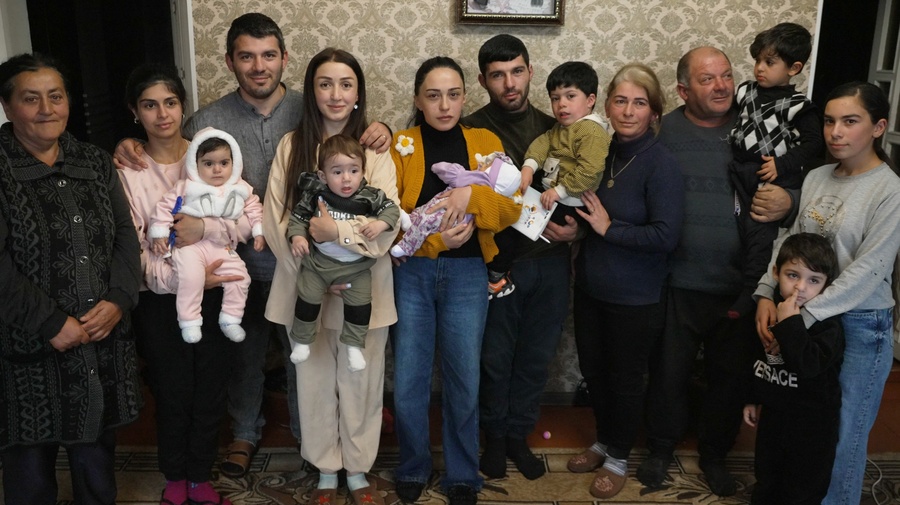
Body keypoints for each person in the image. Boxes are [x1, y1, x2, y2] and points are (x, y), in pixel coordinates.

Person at [114, 13, 391, 477]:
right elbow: (177, 164)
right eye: (246, 56)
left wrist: (375, 125)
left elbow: (347, 144)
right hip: (235, 262)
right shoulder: (208, 119)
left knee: (306, 359)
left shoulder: (309, 109)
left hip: (302, 265)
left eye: (268, 55)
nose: (258, 66)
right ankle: (244, 433)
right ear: (230, 61)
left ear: (284, 59)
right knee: (244, 357)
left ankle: (312, 445)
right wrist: (129, 143)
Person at [636, 46, 794, 497]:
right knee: (668, 373)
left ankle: (714, 455)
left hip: (740, 286)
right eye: (708, 79)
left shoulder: (756, 130)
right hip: (676, 281)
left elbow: (797, 184)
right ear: (684, 89)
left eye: (726, 76)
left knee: (729, 378)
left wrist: (790, 200)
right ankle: (661, 449)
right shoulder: (661, 133)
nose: (722, 85)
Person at [0, 52, 141, 504]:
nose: (47, 108)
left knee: (95, 462)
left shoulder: (95, 162)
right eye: (31, 98)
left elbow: (125, 234)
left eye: (55, 96)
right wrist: (49, 323)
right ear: (7, 108)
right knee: (29, 470)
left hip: (98, 337)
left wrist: (119, 298)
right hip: (26, 347)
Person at [754, 82, 900, 505]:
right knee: (803, 435)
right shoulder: (817, 176)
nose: (836, 131)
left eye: (850, 121)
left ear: (878, 127)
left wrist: (799, 317)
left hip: (857, 326)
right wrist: (767, 293)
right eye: (831, 121)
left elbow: (870, 269)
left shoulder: (889, 189)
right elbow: (790, 246)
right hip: (801, 314)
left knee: (841, 439)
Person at [263, 47, 398, 505]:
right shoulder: (292, 146)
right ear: (311, 90)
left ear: (358, 93)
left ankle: (358, 470)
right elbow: (276, 220)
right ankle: (325, 468)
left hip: (365, 287)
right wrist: (317, 272)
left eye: (345, 84)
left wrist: (336, 235)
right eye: (325, 83)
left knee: (361, 382)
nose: (335, 94)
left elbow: (387, 222)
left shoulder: (375, 152)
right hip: (307, 288)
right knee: (314, 382)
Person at [390, 56, 521, 505]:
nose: (444, 105)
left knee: (463, 376)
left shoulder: (484, 140)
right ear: (417, 100)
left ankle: (463, 474)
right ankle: (412, 465)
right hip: (412, 273)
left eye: (453, 94)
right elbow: (391, 221)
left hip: (469, 275)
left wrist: (470, 194)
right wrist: (436, 244)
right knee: (408, 377)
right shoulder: (400, 145)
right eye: (432, 95)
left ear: (465, 96)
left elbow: (511, 209)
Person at [119, 63, 248, 505]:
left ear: (183, 106)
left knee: (211, 388)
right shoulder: (129, 169)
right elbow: (134, 247)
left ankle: (199, 475)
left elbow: (239, 222)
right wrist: (179, 281)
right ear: (135, 112)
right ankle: (175, 476)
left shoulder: (211, 154)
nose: (162, 115)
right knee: (172, 390)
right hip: (158, 300)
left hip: (216, 294)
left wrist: (205, 229)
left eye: (170, 103)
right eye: (149, 105)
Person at [566, 63, 684, 499]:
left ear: (655, 112)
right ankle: (602, 441)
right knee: (594, 373)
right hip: (591, 288)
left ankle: (618, 457)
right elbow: (585, 210)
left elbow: (666, 235)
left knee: (625, 379)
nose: (629, 111)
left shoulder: (661, 164)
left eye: (640, 103)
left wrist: (608, 229)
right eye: (621, 101)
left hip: (636, 296)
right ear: (607, 105)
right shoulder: (600, 150)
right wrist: (575, 230)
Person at [461, 35, 570, 481]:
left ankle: (519, 437)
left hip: (551, 261)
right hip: (493, 265)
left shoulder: (559, 127)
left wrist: (579, 229)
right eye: (498, 75)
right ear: (484, 79)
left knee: (534, 358)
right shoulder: (468, 130)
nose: (510, 83)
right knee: (494, 358)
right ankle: (493, 438)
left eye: (518, 71)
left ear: (530, 71)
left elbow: (582, 187)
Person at [487, 60, 610, 298]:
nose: (561, 104)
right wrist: (528, 168)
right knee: (510, 218)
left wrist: (559, 192)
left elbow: (590, 171)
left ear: (590, 100)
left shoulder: (590, 131)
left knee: (511, 223)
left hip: (569, 202)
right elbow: (541, 144)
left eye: (570, 96)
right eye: (555, 98)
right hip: (552, 198)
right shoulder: (561, 129)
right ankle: (498, 273)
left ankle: (495, 276)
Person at [728, 22, 823, 319]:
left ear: (793, 68)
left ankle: (750, 293)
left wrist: (781, 164)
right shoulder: (745, 91)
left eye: (769, 62)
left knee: (759, 235)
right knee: (735, 229)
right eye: (758, 60)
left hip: (771, 177)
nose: (760, 68)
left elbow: (814, 144)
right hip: (739, 170)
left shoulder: (797, 105)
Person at [744, 232, 843, 505]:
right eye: (792, 275)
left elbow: (809, 365)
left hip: (813, 425)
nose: (800, 288)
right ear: (776, 273)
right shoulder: (772, 310)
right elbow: (760, 357)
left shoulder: (828, 324)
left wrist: (791, 326)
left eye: (814, 280)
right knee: (767, 475)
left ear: (826, 285)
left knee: (802, 488)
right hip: (775, 415)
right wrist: (754, 398)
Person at [286, 133, 398, 372]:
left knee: (360, 306)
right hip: (318, 265)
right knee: (307, 299)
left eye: (354, 171)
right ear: (322, 176)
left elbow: (391, 210)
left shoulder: (370, 195)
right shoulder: (316, 196)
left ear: (363, 171)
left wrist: (380, 224)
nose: (346, 179)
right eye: (337, 172)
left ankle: (354, 346)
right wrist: (297, 236)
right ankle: (302, 340)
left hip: (356, 269)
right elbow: (297, 218)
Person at [149, 127, 265, 343]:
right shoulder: (187, 187)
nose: (217, 170)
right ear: (195, 164)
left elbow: (255, 209)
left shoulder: (240, 188)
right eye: (208, 163)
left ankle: (231, 318)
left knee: (241, 278)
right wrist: (159, 233)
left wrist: (259, 231)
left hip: (222, 247)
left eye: (224, 163)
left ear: (234, 162)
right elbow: (164, 208)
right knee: (191, 277)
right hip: (190, 247)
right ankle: (189, 320)